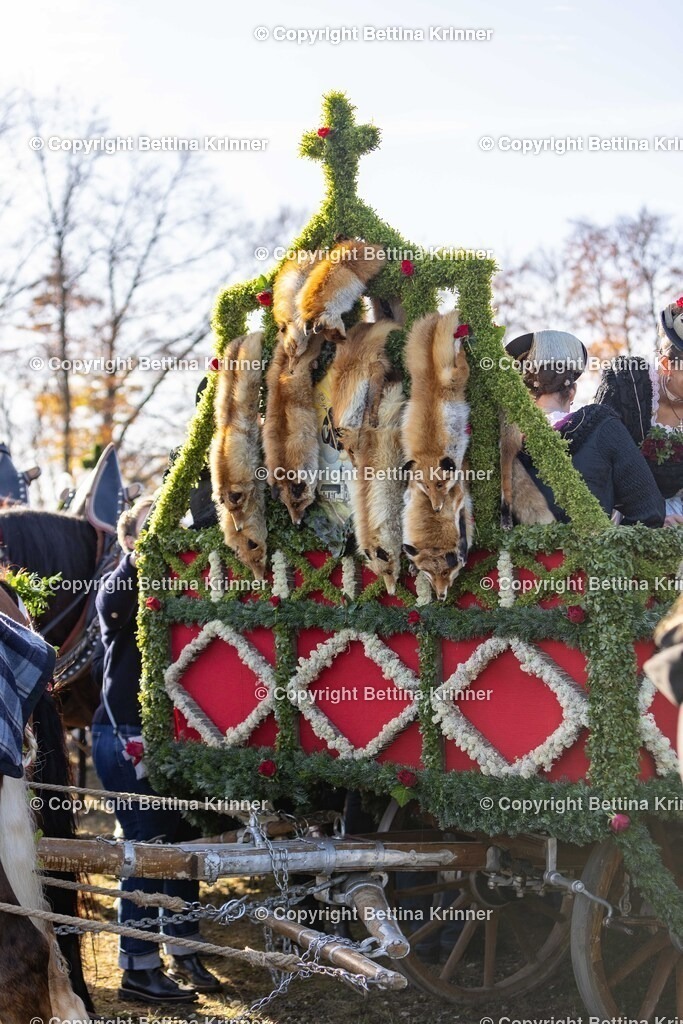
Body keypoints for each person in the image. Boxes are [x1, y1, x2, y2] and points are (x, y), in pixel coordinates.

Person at [91, 497, 221, 1005]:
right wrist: (139, 557)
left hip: (175, 741)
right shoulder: (120, 585)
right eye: (150, 531)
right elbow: (112, 604)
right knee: (147, 846)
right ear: (129, 541)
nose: (165, 539)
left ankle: (184, 949)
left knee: (182, 842)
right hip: (123, 735)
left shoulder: (187, 585)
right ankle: (139, 969)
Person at [506, 330, 664, 527]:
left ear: (525, 392)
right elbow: (651, 511)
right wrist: (608, 544)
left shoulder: (499, 442)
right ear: (572, 391)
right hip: (594, 547)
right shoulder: (603, 425)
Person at [595, 297, 683, 525]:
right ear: (666, 365)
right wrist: (651, 518)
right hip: (625, 517)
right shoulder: (627, 384)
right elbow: (598, 464)